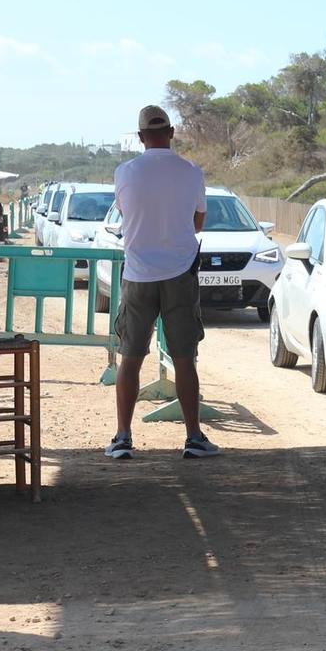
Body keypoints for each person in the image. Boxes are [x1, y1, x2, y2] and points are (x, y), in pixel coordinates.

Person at [107, 104, 218, 461]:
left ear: (141, 138)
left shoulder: (124, 172)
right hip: (180, 271)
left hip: (138, 273)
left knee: (130, 357)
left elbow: (126, 212)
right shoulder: (192, 172)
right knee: (185, 358)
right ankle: (194, 437)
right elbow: (198, 222)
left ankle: (123, 437)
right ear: (170, 133)